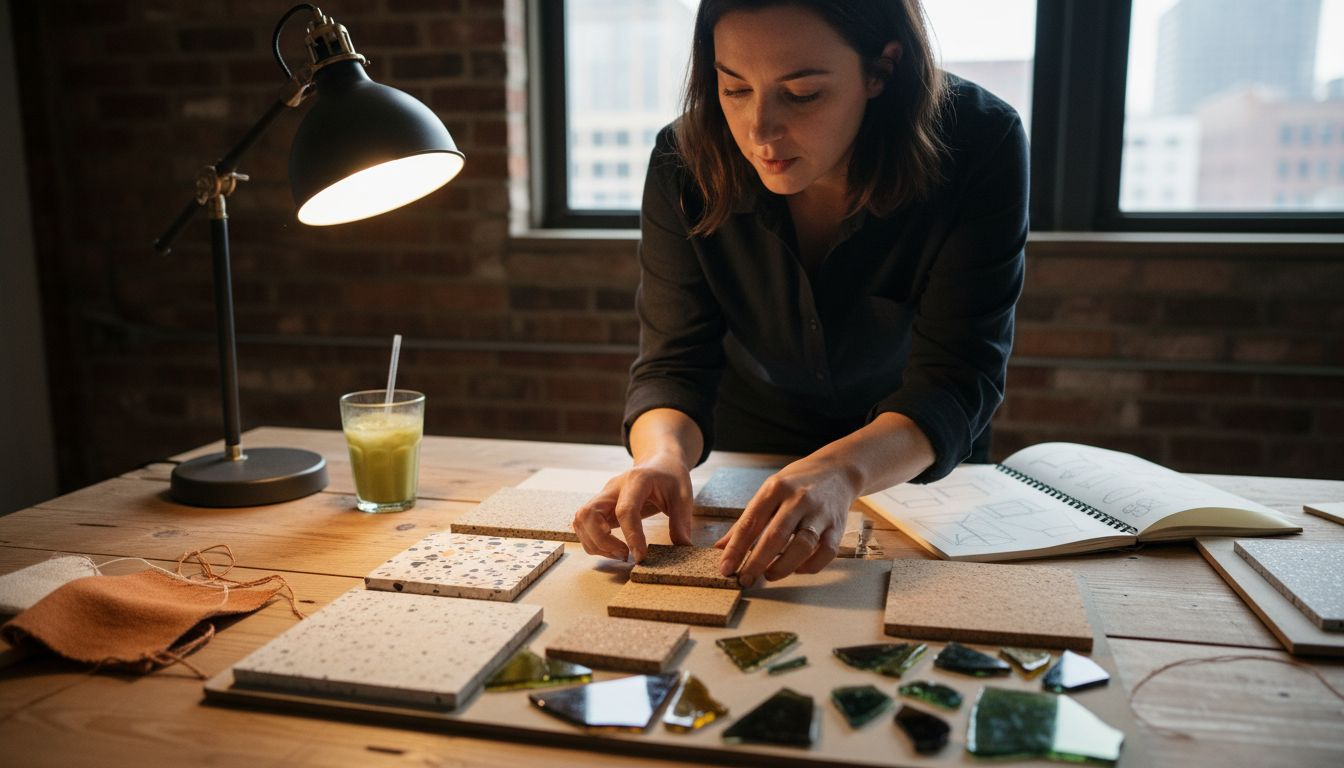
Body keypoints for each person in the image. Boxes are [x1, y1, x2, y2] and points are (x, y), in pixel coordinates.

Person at [571, 0, 1028, 588]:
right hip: (751, 453)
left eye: (803, 93)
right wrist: (661, 456)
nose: (759, 132)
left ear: (880, 69)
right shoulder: (683, 160)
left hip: (909, 462)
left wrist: (841, 469)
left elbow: (958, 380)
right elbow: (674, 364)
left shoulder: (980, 142)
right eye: (735, 89)